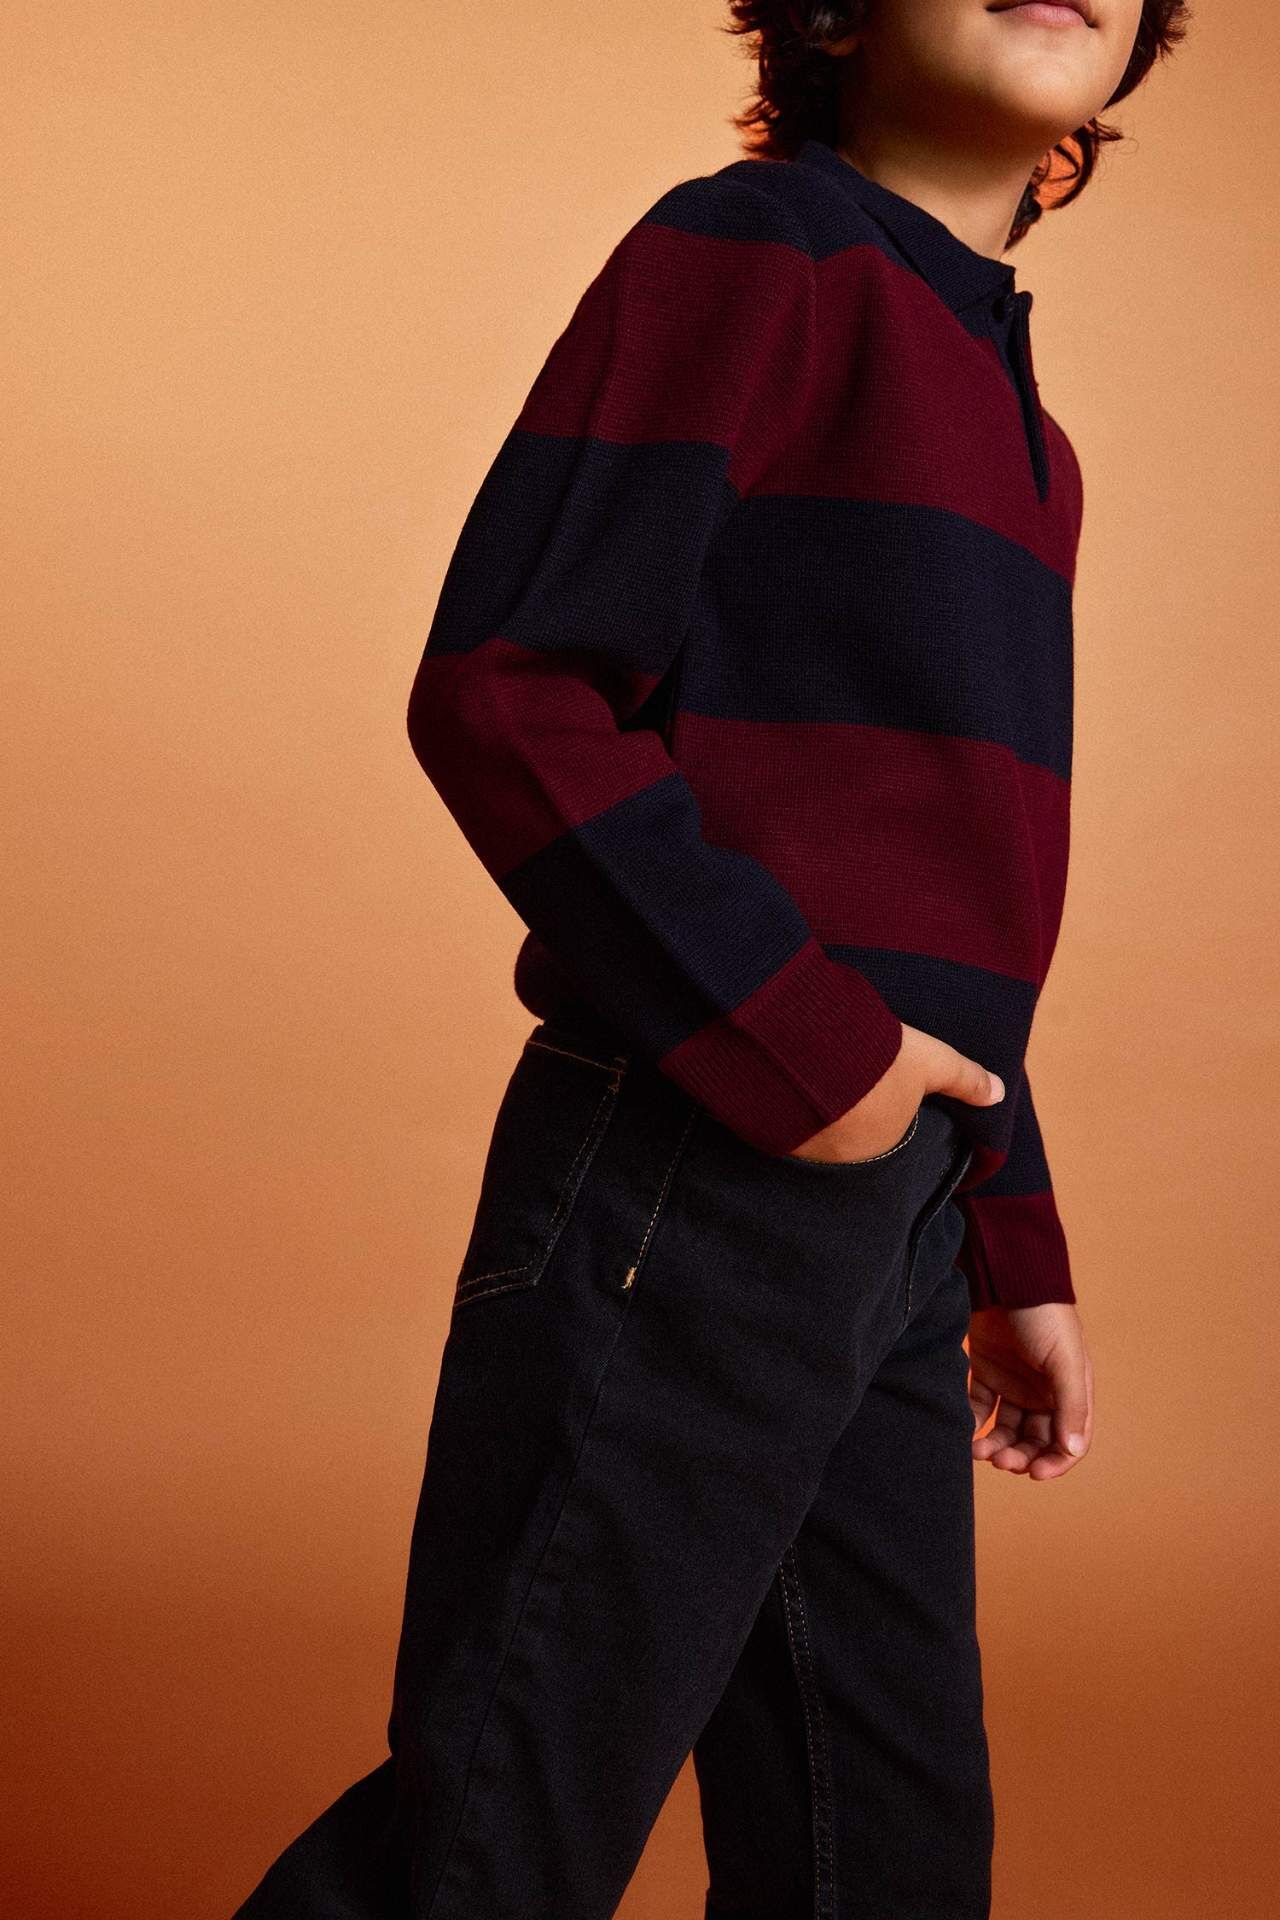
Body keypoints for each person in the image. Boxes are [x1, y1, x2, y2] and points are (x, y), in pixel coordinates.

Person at [231, 2, 1190, 1915]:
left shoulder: (1035, 445)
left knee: (885, 1848)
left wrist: (1003, 1239)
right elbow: (506, 689)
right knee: (508, 1814)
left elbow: (949, 899)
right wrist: (817, 1061)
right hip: (701, 1151)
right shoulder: (754, 252)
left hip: (893, 1204)